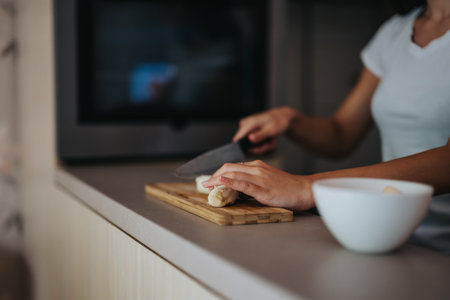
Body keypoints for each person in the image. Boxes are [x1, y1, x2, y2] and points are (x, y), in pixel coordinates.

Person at [203, 0, 450, 253]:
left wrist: (308, 187)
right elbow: (341, 134)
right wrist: (290, 120)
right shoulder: (395, 32)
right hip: (392, 236)